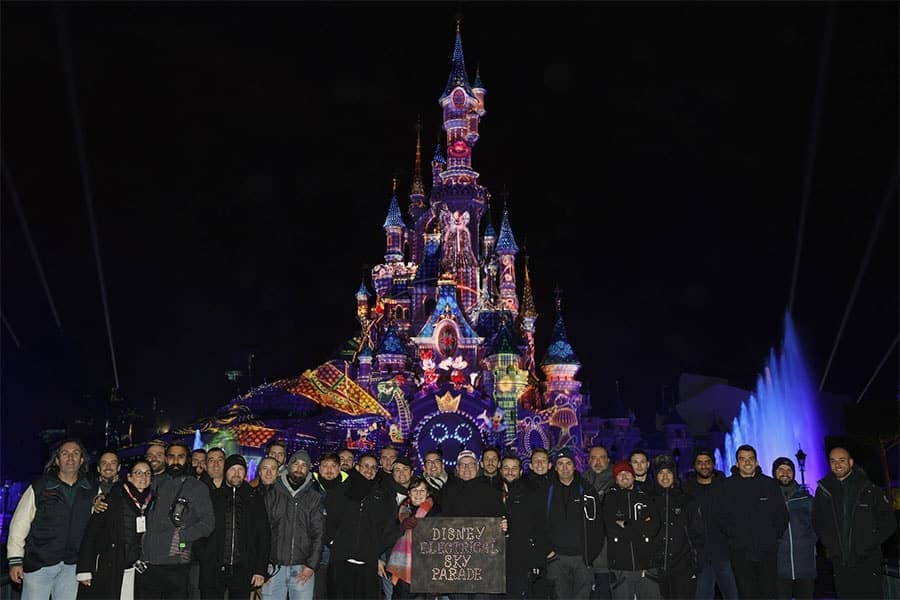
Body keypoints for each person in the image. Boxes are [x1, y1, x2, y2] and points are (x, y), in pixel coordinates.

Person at [7, 438, 95, 600]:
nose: (70, 458)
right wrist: (15, 560)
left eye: (76, 453)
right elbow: (19, 525)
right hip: (39, 565)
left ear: (82, 460)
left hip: (72, 566)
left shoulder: (90, 489)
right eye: (65, 453)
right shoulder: (40, 486)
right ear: (57, 460)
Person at [813, 446, 896, 599]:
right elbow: (817, 522)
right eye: (833, 461)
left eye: (842, 460)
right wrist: (831, 544)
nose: (837, 465)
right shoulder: (823, 491)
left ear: (851, 462)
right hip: (841, 563)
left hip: (868, 560)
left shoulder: (869, 489)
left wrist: (870, 541)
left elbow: (889, 522)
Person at [135, 442, 214, 599]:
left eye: (181, 457)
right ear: (166, 459)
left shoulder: (197, 487)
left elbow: (208, 523)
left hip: (175, 564)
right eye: (171, 457)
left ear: (188, 460)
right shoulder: (152, 483)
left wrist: (181, 537)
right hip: (148, 563)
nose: (176, 461)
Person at [718, 444, 788, 600]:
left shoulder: (769, 485)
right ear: (737, 463)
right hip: (740, 553)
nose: (747, 462)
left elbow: (782, 515)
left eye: (751, 459)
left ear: (756, 462)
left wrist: (771, 538)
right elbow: (721, 518)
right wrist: (734, 538)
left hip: (767, 552)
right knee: (746, 594)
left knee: (769, 593)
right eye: (742, 459)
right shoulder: (727, 486)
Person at [76, 460, 155, 599]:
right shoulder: (112, 499)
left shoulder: (152, 501)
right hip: (113, 565)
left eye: (147, 473)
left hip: (137, 567)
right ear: (129, 477)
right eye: (138, 473)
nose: (143, 477)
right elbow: (91, 534)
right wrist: (84, 569)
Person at [327, 452, 395, 600]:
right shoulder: (342, 489)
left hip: (368, 564)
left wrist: (376, 551)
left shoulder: (382, 495)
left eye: (373, 467)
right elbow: (329, 518)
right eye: (365, 466)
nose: (369, 470)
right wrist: (334, 542)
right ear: (357, 467)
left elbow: (388, 528)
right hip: (341, 560)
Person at [542, 448, 604, 600]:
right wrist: (548, 552)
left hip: (582, 559)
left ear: (574, 465)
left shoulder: (587, 490)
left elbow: (598, 525)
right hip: (556, 559)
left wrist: (590, 555)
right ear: (555, 467)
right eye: (560, 464)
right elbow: (539, 524)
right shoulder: (546, 490)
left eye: (568, 463)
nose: (564, 468)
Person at [262, 449, 325, 600]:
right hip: (273, 568)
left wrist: (311, 566)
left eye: (304, 465)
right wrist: (261, 564)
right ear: (289, 466)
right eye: (296, 463)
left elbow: (319, 533)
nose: (299, 468)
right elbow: (262, 531)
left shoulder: (314, 496)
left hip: (302, 568)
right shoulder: (273, 492)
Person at [204, 454, 269, 599]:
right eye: (232, 469)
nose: (236, 473)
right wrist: (205, 556)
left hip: (243, 569)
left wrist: (260, 569)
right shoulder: (214, 497)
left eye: (240, 469)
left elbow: (263, 535)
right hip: (214, 568)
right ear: (225, 471)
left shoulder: (254, 498)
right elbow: (202, 529)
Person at [681, 447, 737, 600]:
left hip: (724, 554)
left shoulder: (725, 486)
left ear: (713, 464)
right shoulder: (687, 490)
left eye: (707, 462)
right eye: (700, 463)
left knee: (732, 595)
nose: (704, 466)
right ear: (694, 466)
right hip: (701, 556)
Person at [603, 460, 660, 600]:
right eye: (619, 474)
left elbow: (654, 526)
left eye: (627, 473)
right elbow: (609, 527)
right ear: (616, 479)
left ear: (633, 476)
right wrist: (640, 526)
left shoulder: (645, 497)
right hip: (620, 567)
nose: (623, 476)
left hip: (647, 565)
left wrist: (626, 524)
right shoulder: (609, 499)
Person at [648, 454, 702, 600]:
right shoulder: (649, 500)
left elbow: (697, 534)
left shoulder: (687, 501)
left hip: (683, 567)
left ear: (675, 476)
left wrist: (695, 562)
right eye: (661, 473)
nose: (665, 477)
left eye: (669, 473)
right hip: (656, 568)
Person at [499, 454, 547, 600]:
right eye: (506, 468)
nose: (510, 472)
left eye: (514, 469)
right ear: (500, 470)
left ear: (520, 471)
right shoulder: (492, 492)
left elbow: (538, 525)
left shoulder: (530, 493)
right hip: (497, 559)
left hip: (522, 558)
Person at [384, 477, 441, 599]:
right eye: (415, 490)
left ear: (428, 493)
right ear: (409, 493)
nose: (418, 494)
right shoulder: (401, 510)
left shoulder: (436, 512)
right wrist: (401, 527)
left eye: (422, 491)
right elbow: (388, 538)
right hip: (402, 571)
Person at [771, 457, 816, 600]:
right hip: (779, 568)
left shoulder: (805, 498)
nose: (785, 473)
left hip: (805, 566)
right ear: (774, 473)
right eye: (781, 470)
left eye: (789, 470)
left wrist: (809, 543)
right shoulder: (768, 498)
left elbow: (818, 524)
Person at [312, 453, 349, 600]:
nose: (329, 470)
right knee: (318, 589)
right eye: (325, 466)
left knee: (338, 589)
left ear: (339, 468)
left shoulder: (349, 487)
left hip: (339, 548)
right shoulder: (310, 486)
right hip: (315, 547)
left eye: (333, 466)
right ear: (319, 468)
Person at [582, 445, 615, 600]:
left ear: (608, 460)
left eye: (602, 458)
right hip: (584, 558)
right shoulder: (580, 482)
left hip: (608, 558)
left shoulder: (617, 482)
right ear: (589, 461)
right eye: (594, 458)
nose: (598, 462)